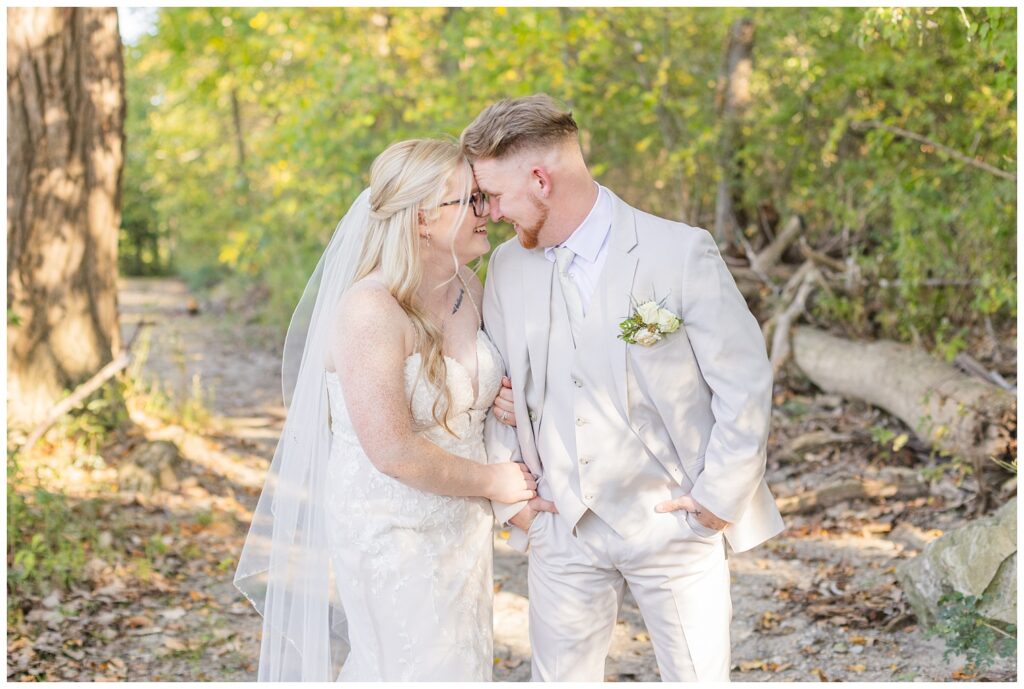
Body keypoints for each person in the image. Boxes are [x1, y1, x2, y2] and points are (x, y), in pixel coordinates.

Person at [465, 94, 785, 681]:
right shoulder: (507, 269)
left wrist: (717, 500)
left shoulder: (678, 251)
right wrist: (519, 509)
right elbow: (498, 385)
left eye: (493, 194)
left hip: (673, 520)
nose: (489, 211)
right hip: (562, 524)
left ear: (540, 179)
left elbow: (745, 384)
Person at [234, 138, 545, 681]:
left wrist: (507, 401)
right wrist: (495, 481)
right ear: (423, 219)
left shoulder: (468, 287)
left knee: (461, 664)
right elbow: (392, 450)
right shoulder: (368, 310)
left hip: (461, 523)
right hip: (392, 523)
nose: (487, 211)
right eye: (470, 200)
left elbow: (471, 397)